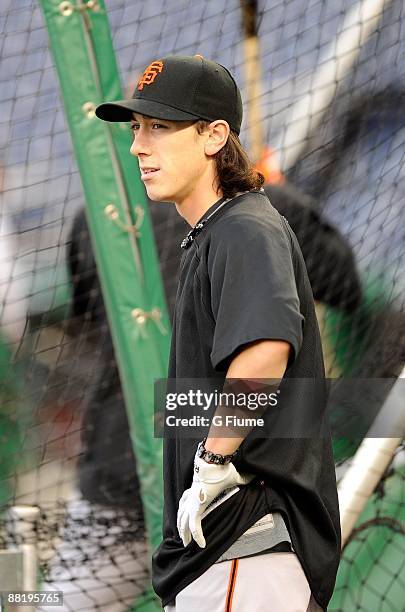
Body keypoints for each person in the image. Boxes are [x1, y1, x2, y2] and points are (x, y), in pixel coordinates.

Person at [96, 55, 341, 611]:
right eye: (137, 128)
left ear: (214, 136)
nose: (138, 145)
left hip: (244, 542)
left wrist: (212, 460)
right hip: (234, 551)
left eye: (159, 126)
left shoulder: (244, 228)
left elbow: (263, 355)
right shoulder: (217, 232)